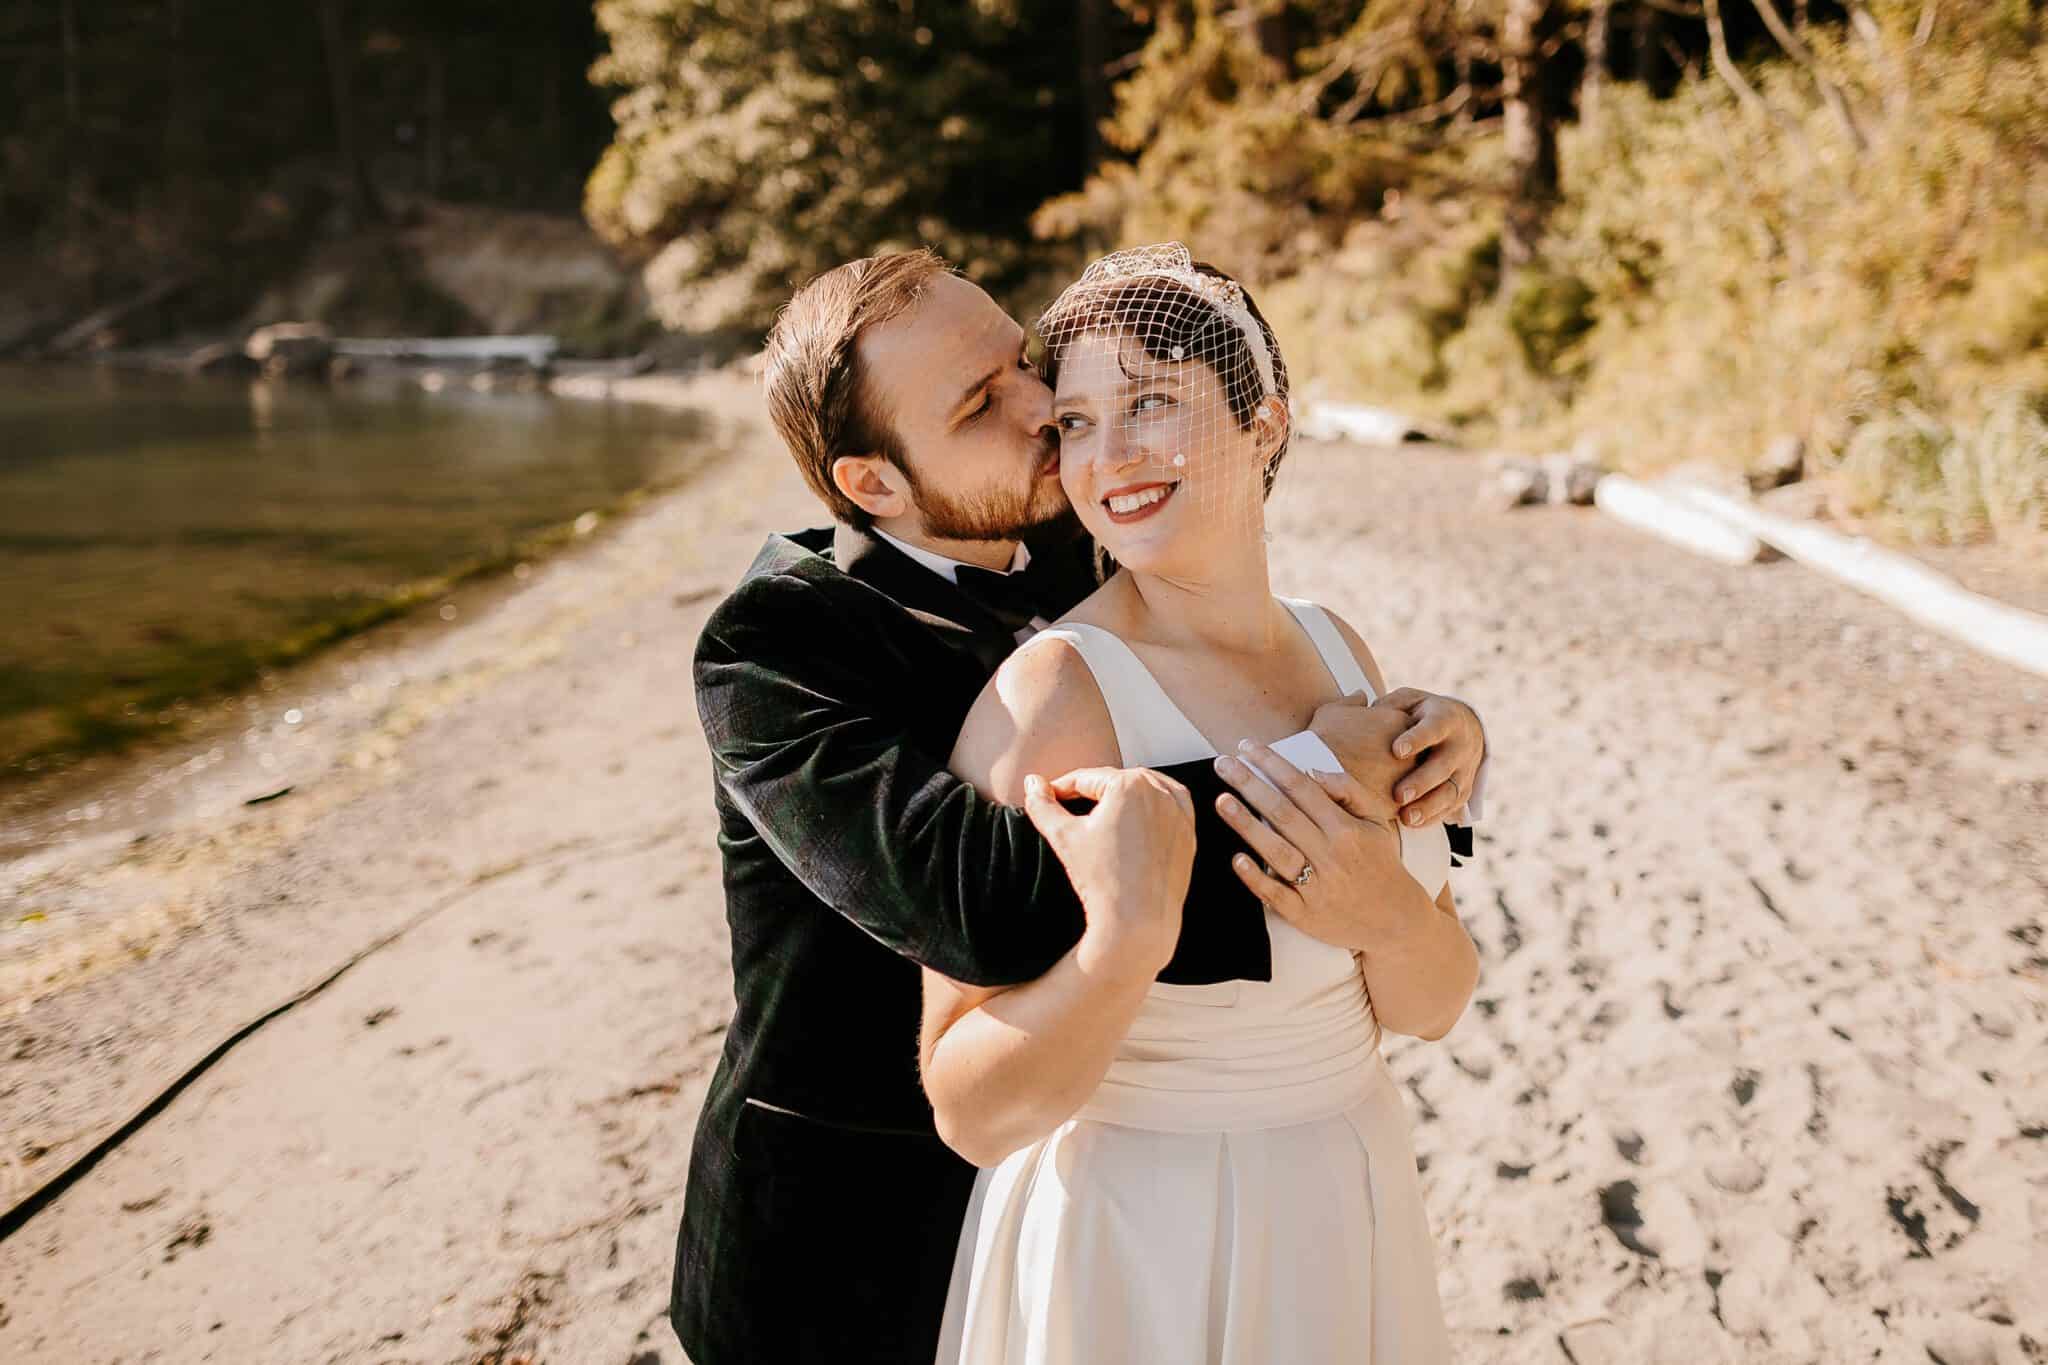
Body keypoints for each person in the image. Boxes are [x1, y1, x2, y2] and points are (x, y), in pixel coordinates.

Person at [670, 246, 1489, 1363]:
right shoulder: (776, 649)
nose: (1044, 409)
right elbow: (981, 896)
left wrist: (1423, 755)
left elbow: (1216, 659)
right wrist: (1319, 771)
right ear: (874, 485)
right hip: (853, 1221)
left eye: (1020, 362)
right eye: (981, 401)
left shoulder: (1082, 533)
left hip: (1216, 1171)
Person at [924, 245, 1474, 1362]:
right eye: (1074, 422)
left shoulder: (1338, 648)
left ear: (1262, 423)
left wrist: (1385, 916)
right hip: (1137, 1236)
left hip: (1343, 1193)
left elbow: (1430, 1006)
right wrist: (1120, 949)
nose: (1110, 456)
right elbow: (969, 1110)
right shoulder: (1054, 697)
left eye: (1153, 402)